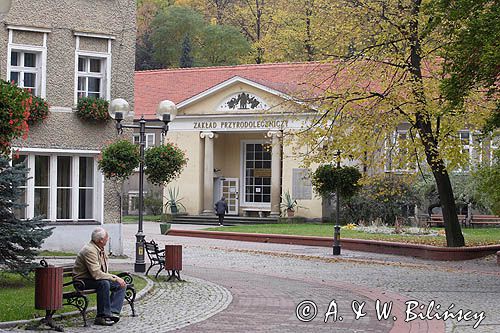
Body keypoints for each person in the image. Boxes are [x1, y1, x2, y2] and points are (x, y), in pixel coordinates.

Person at [73, 227, 126, 326]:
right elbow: (96, 274)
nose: (108, 239)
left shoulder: (99, 248)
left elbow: (102, 271)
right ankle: (102, 317)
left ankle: (113, 312)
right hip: (82, 281)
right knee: (104, 283)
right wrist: (115, 277)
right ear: (101, 240)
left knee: (120, 284)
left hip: (92, 278)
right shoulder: (90, 250)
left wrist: (116, 279)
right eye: (106, 237)